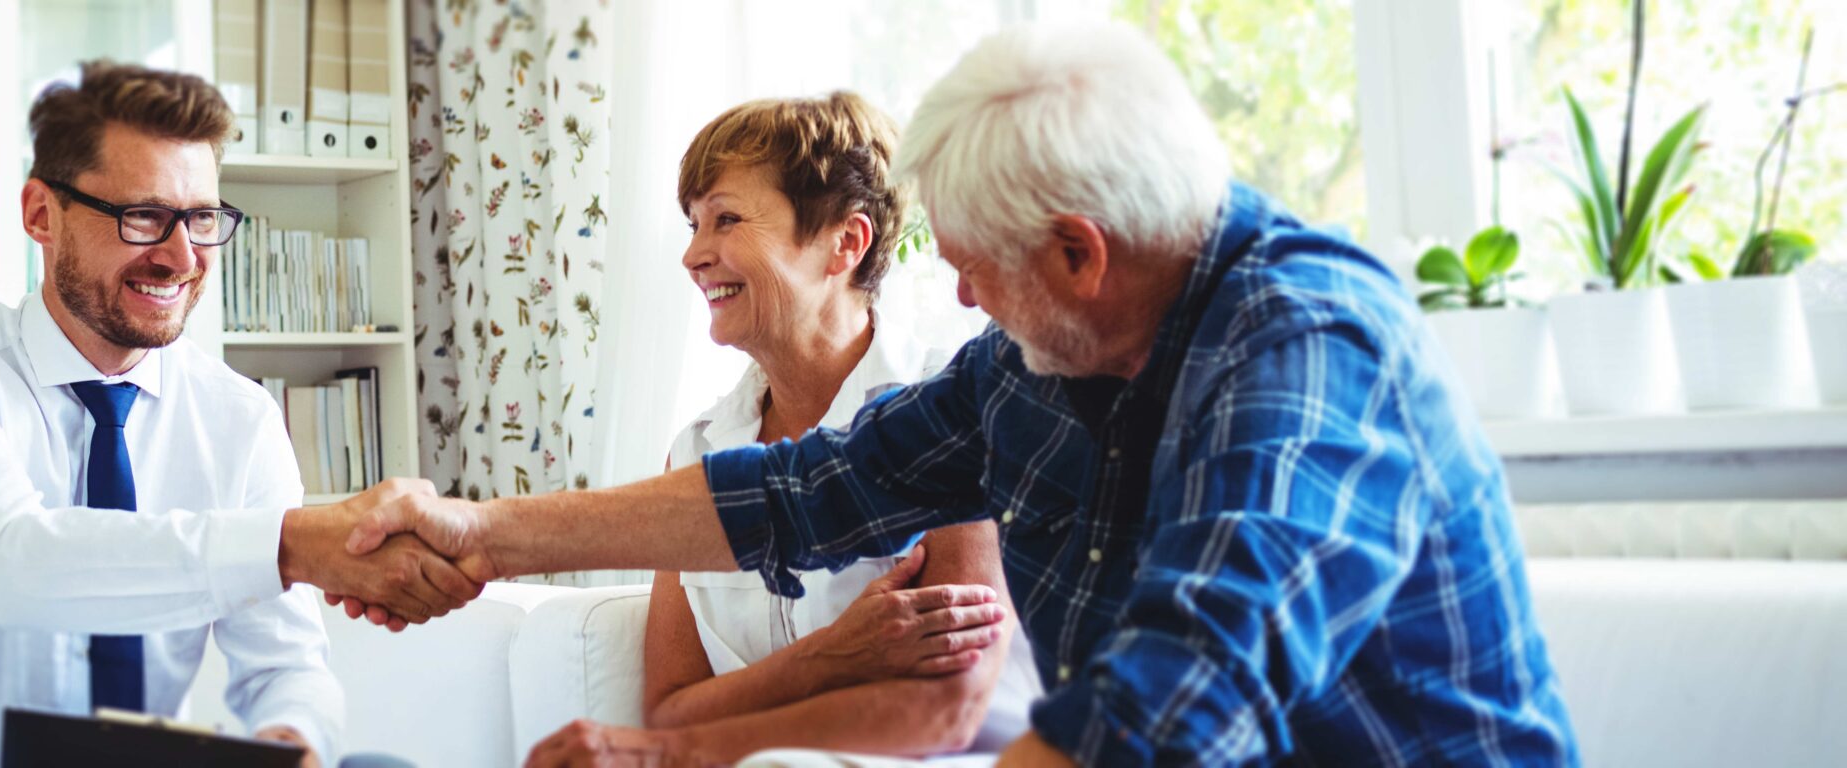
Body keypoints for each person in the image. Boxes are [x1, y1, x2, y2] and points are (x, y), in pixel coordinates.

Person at [329, 21, 1577, 767]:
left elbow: (1180, 700)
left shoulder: (1309, 353)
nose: (965, 303)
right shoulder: (1040, 360)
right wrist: (484, 536)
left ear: (1080, 254)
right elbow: (815, 488)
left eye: (979, 269)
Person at [0, 61, 478, 767]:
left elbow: (286, 666)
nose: (182, 257)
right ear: (40, 214)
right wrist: (291, 545)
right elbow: (13, 566)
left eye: (203, 218)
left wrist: (290, 738)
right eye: (143, 216)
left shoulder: (236, 417)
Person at [551, 92, 1044, 762]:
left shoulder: (953, 413)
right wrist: (829, 657)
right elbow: (667, 710)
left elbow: (941, 713)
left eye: (726, 219)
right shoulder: (697, 450)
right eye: (694, 224)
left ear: (845, 242)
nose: (693, 254)